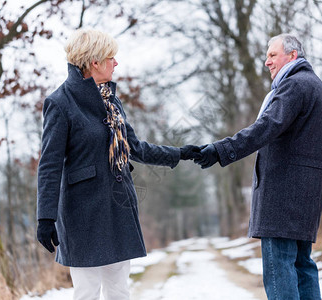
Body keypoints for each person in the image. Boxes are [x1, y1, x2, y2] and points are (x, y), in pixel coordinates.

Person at [36, 28, 200, 300]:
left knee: (119, 291)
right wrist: (45, 217)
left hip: (118, 208)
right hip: (82, 215)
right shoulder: (60, 103)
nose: (116, 63)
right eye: (111, 57)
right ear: (94, 62)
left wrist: (180, 153)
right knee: (87, 292)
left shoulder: (112, 103)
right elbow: (49, 165)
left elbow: (135, 148)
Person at [193, 33, 322, 299]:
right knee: (303, 266)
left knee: (279, 267)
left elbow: (265, 128)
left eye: (272, 55)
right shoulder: (319, 89)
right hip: (306, 196)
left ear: (292, 56)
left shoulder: (294, 86)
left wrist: (221, 150)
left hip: (282, 197)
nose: (267, 62)